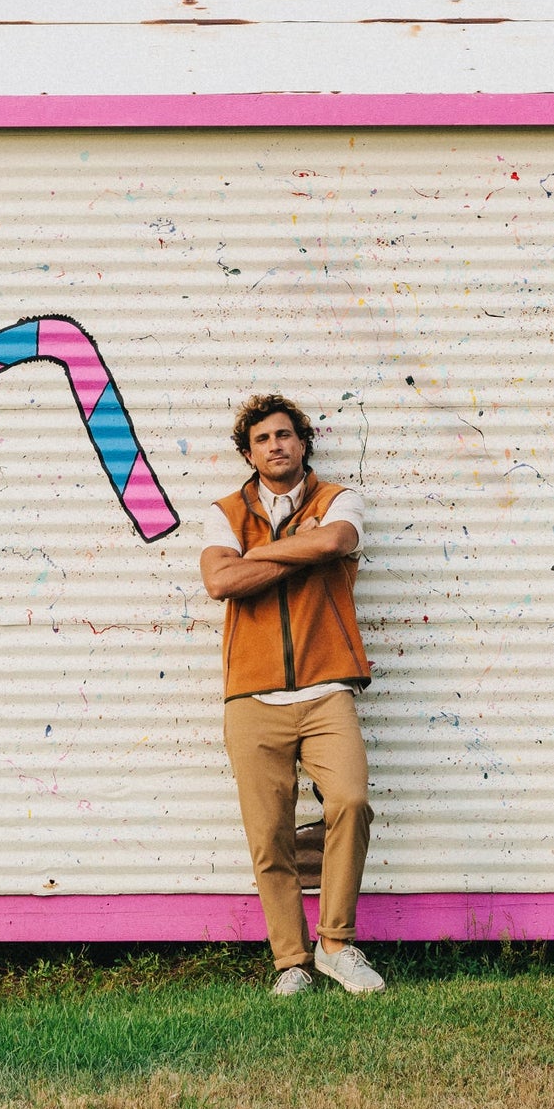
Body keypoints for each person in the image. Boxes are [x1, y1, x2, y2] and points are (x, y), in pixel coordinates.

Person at [200, 393, 384, 996]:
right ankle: (291, 964)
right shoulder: (224, 511)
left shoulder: (340, 500)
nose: (275, 446)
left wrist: (259, 557)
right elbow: (219, 581)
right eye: (262, 439)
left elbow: (334, 543)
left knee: (350, 802)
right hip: (251, 698)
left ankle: (335, 944)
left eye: (285, 435)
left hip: (327, 686)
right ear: (248, 453)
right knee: (269, 833)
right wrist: (292, 552)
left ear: (303, 442)